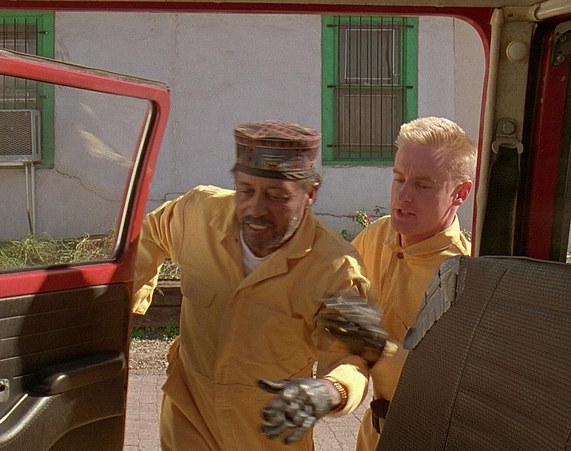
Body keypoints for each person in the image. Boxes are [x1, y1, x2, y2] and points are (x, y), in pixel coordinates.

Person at [131, 120, 373, 450]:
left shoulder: (334, 267)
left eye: (277, 196)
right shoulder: (198, 214)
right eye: (246, 191)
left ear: (310, 193)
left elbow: (350, 358)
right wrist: (126, 302)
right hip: (189, 421)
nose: (256, 209)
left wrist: (331, 390)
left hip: (269, 432)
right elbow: (151, 234)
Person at [349, 116, 476, 451]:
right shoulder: (379, 234)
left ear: (460, 193)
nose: (403, 195)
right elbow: (328, 289)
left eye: (423, 185)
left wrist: (371, 347)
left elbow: (439, 386)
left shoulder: (462, 277)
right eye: (399, 178)